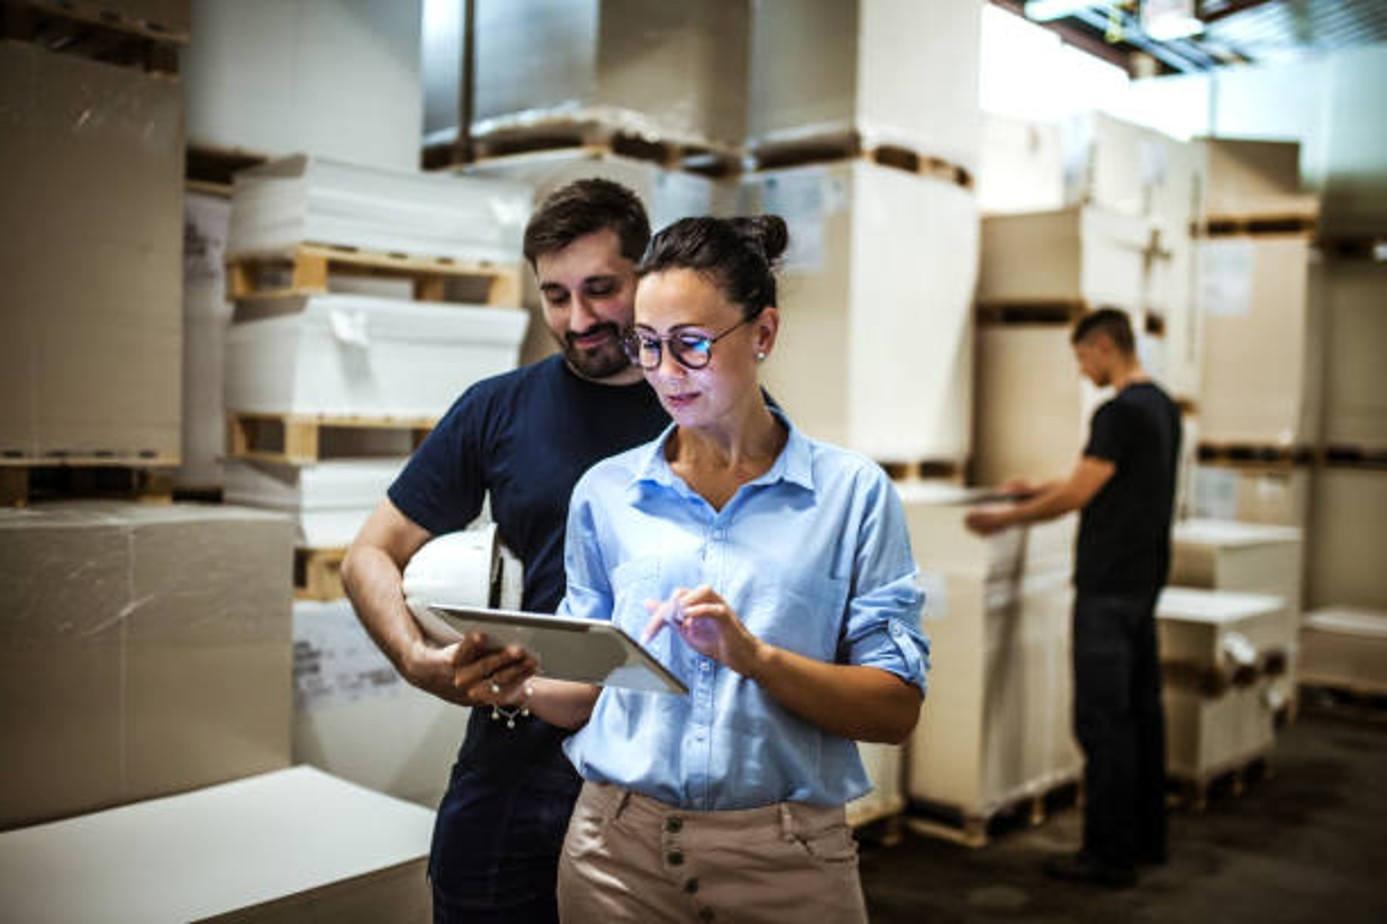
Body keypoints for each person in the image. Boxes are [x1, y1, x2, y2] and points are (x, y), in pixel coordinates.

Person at [469, 215, 931, 923]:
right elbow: (590, 693)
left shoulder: (851, 496)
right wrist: (516, 680)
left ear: (764, 334)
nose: (665, 373)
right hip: (613, 856)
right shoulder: (605, 493)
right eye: (647, 346)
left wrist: (755, 657)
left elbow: (894, 709)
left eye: (689, 344)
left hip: (786, 864)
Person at [340, 178, 670, 923]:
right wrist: (416, 660)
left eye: (600, 289)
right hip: (519, 756)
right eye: (555, 296)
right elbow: (369, 554)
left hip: (662, 769)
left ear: (644, 277)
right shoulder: (499, 407)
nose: (578, 319)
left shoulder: (709, 409)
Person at [965, 307, 1182, 889]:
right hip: (1143, 584)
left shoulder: (1116, 412)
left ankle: (1107, 856)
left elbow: (1080, 494)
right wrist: (1041, 485)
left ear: (1106, 346)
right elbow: (1108, 479)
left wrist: (1004, 519)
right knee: (1142, 713)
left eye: (1083, 356)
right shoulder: (1161, 406)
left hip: (1107, 589)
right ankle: (1146, 840)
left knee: (1102, 721)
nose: (1083, 368)